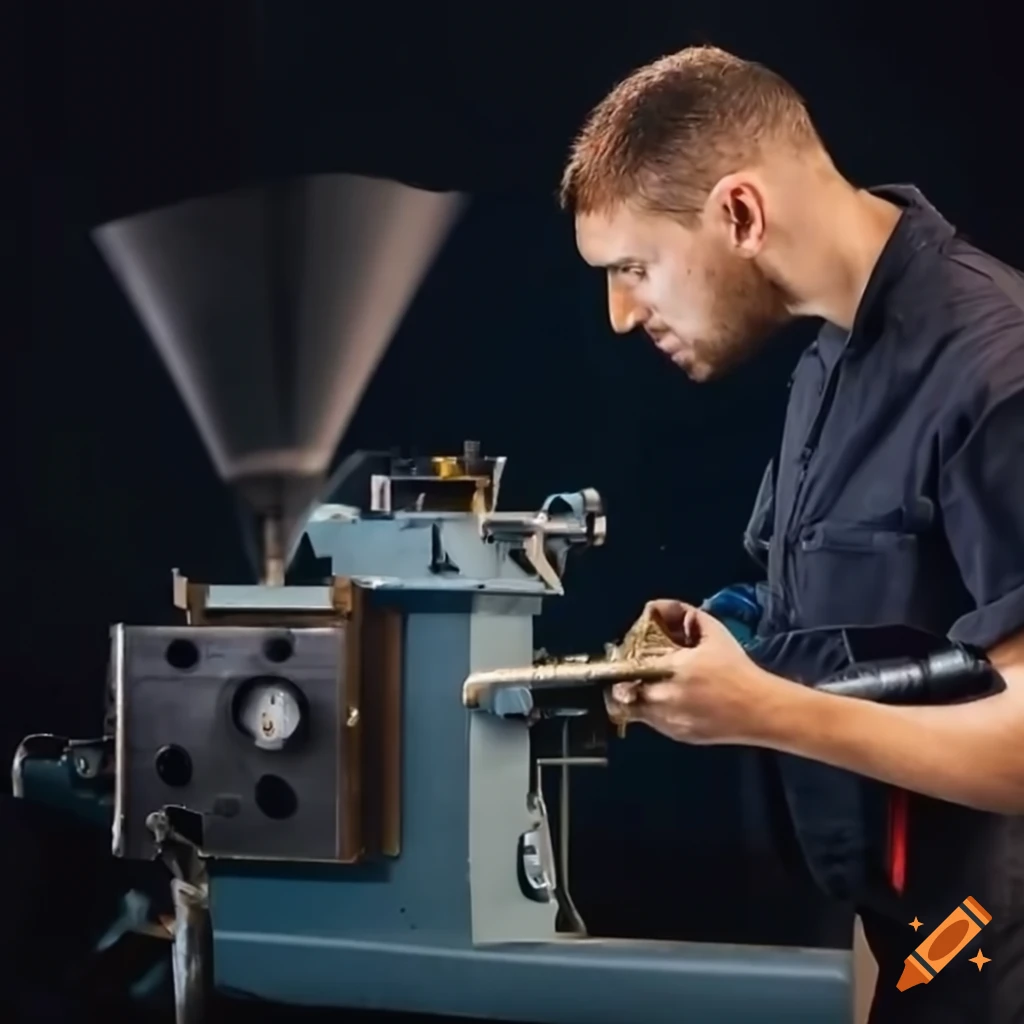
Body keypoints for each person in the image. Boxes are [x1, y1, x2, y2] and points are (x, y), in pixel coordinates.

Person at [559, 44, 1024, 1024]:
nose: (619, 312)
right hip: (914, 960)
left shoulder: (996, 372)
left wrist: (756, 706)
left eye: (633, 266)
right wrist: (720, 632)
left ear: (738, 212)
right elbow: (813, 606)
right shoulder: (825, 365)